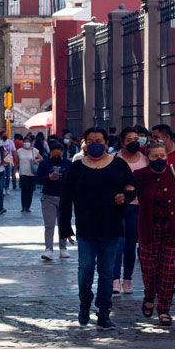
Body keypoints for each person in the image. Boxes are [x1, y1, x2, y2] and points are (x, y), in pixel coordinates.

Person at [59, 127, 134, 329]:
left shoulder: (118, 165)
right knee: (85, 269)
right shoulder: (76, 168)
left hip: (111, 227)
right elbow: (65, 200)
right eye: (91, 140)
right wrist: (65, 228)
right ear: (84, 143)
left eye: (99, 141)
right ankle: (85, 303)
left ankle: (104, 312)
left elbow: (132, 187)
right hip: (86, 228)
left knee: (107, 272)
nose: (95, 144)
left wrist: (124, 198)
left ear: (106, 143)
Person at [133, 141, 175, 327]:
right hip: (149, 229)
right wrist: (123, 196)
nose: (160, 159)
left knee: (169, 271)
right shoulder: (140, 175)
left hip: (172, 228)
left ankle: (164, 309)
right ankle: (148, 296)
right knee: (150, 269)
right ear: (148, 158)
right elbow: (130, 193)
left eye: (163, 156)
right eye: (155, 156)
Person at [113, 126, 148, 294]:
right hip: (118, 207)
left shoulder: (145, 158)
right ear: (122, 142)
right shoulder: (114, 158)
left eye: (136, 139)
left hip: (137, 206)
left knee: (130, 245)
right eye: (129, 140)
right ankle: (115, 279)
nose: (134, 142)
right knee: (117, 244)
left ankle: (127, 280)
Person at [37, 142, 72, 261]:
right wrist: (48, 178)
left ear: (62, 153)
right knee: (49, 224)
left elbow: (74, 179)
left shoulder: (68, 164)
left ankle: (63, 248)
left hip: (64, 197)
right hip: (48, 197)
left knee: (63, 224)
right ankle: (48, 249)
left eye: (58, 155)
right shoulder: (44, 163)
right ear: (50, 153)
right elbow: (38, 179)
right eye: (54, 155)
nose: (56, 157)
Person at [16, 136, 41, 213]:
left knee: (30, 191)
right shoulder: (19, 151)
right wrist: (15, 171)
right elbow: (17, 162)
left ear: (30, 143)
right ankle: (23, 206)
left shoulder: (34, 150)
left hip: (31, 173)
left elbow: (41, 158)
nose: (26, 143)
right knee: (24, 190)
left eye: (28, 141)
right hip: (23, 173)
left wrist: (36, 161)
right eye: (25, 141)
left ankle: (28, 206)